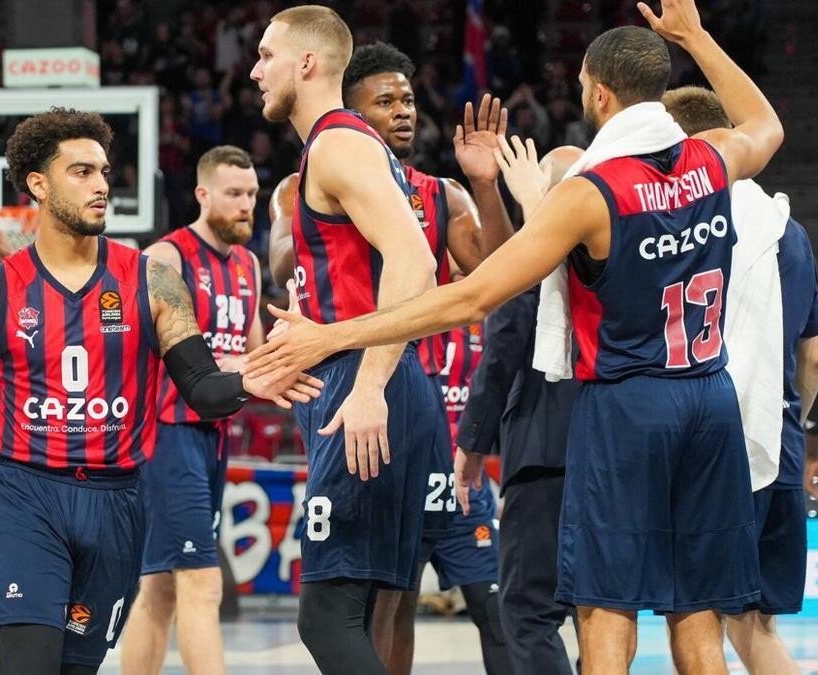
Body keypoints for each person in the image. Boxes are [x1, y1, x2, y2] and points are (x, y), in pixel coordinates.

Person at [247, 1, 786, 671]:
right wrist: (695, 37)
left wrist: (332, 336)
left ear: (597, 92)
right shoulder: (713, 160)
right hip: (709, 398)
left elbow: (472, 294)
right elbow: (765, 122)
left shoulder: (590, 192)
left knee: (605, 612)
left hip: (627, 406)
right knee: (700, 617)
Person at [0, 108, 321, 674]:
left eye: (104, 172)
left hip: (116, 503)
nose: (100, 186)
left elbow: (202, 389)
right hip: (27, 497)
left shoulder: (152, 280)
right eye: (82, 172)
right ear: (38, 184)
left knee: (76, 668)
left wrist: (248, 380)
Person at [249, 9, 457, 673]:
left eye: (267, 55)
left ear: (307, 63)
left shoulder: (338, 144)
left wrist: (367, 385)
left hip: (365, 385)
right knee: (371, 612)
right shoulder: (347, 147)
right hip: (381, 381)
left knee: (327, 616)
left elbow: (415, 261)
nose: (255, 70)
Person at [327, 42, 516, 675]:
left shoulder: (441, 196)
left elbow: (498, 274)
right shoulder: (324, 188)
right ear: (350, 112)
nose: (403, 110)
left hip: (438, 431)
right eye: (385, 100)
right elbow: (284, 262)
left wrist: (486, 187)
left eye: (407, 99)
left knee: (492, 605)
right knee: (388, 601)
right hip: (373, 412)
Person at [663, 85, 818, 674]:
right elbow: (814, 357)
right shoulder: (791, 229)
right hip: (778, 437)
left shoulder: (686, 223)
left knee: (700, 620)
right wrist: (791, 418)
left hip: (716, 445)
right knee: (756, 627)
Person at [120, 145, 264, 675]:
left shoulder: (249, 263)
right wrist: (226, 359)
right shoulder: (167, 256)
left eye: (251, 194)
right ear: (203, 194)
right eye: (233, 194)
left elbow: (253, 351)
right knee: (203, 583)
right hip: (166, 432)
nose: (246, 204)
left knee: (159, 588)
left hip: (214, 434)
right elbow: (141, 343)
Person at [460, 146, 585, 674]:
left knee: (528, 611)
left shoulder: (541, 250)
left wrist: (471, 447)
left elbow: (503, 346)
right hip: (613, 449)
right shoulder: (625, 245)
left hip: (545, 451)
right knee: (599, 607)